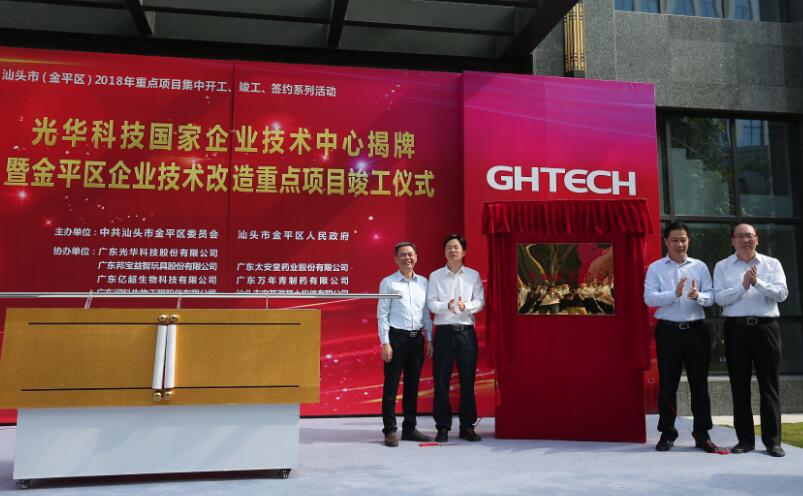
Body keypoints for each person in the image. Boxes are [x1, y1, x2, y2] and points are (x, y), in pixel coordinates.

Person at [644, 222, 719, 453]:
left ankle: (702, 433)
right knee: (668, 384)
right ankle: (667, 433)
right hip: (668, 332)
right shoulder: (656, 268)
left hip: (696, 331)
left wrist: (698, 297)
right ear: (666, 242)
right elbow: (649, 298)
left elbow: (712, 297)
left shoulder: (699, 267)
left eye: (683, 239)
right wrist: (673, 294)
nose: (680, 244)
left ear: (689, 241)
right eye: (675, 240)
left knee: (699, 385)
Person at [714, 223, 788, 457]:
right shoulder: (722, 266)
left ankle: (773, 441)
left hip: (766, 328)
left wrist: (758, 283)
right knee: (739, 386)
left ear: (757, 239)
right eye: (740, 236)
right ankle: (745, 440)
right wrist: (743, 286)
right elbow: (719, 298)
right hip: (736, 330)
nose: (745, 240)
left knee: (769, 386)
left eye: (749, 236)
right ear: (732, 240)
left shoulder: (772, 263)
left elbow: (782, 294)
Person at [428, 234, 484, 442]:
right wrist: (447, 305)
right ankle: (442, 427)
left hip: (466, 333)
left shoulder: (473, 275)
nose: (452, 250)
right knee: (441, 381)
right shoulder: (435, 276)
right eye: (449, 247)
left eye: (456, 247)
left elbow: (480, 301)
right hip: (444, 332)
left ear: (464, 251)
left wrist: (464, 306)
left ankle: (467, 426)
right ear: (444, 252)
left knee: (468, 380)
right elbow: (431, 303)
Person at [377, 241, 433, 447]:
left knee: (412, 386)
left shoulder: (424, 282)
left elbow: (426, 313)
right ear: (396, 259)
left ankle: (409, 428)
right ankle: (390, 430)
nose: (407, 258)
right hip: (396, 339)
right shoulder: (388, 282)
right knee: (391, 386)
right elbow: (382, 314)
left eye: (410, 254)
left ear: (416, 257)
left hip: (416, 340)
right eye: (402, 255)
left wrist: (429, 338)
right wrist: (385, 343)